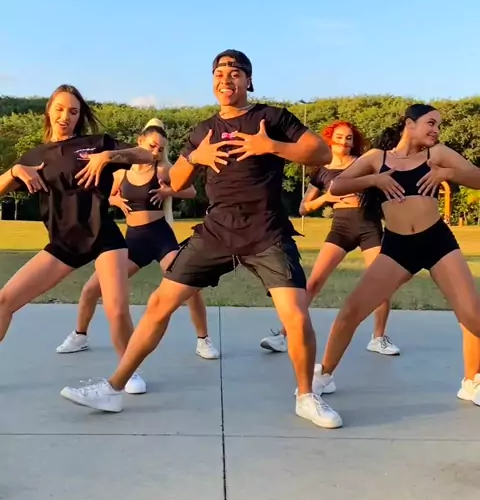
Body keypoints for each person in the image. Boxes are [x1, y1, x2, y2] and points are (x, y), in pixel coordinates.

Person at [61, 49, 343, 428]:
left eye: (235, 72)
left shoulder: (272, 118)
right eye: (219, 73)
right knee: (160, 303)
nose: (226, 79)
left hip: (266, 230)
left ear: (249, 81)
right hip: (216, 231)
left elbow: (321, 152)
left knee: (294, 313)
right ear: (212, 82)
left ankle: (306, 396)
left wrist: (271, 146)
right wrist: (197, 157)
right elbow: (175, 181)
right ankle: (113, 388)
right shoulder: (202, 131)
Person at [313, 103, 480, 407]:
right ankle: (324, 375)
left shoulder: (437, 154)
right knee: (352, 310)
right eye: (431, 123)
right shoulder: (377, 158)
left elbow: (478, 178)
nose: (436, 130)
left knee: (472, 316)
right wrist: (374, 180)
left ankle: (472, 382)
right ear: (409, 124)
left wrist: (447, 173)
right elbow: (337, 185)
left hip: (437, 242)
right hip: (397, 247)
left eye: (439, 125)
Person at [0, 84, 158, 393]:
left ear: (79, 116)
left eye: (73, 111)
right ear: (49, 111)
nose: (65, 116)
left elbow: (145, 155)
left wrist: (107, 157)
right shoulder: (35, 157)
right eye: (59, 109)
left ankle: (129, 372)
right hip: (64, 244)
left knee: (116, 308)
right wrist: (16, 170)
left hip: (103, 237)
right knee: (4, 300)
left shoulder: (95, 143)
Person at [56, 119, 219, 384]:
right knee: (91, 288)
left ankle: (204, 339)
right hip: (132, 241)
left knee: (190, 287)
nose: (155, 151)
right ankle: (80, 335)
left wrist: (167, 191)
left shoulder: (163, 168)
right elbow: (107, 195)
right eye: (152, 145)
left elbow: (190, 191)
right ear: (140, 141)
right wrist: (116, 200)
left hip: (160, 238)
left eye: (160, 148)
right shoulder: (123, 171)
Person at [259, 120, 399, 360]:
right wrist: (326, 198)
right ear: (330, 139)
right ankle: (283, 335)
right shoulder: (322, 171)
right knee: (313, 283)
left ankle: (378, 338)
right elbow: (303, 208)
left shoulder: (364, 163)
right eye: (340, 136)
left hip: (370, 227)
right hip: (341, 229)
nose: (344, 141)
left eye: (349, 138)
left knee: (381, 283)